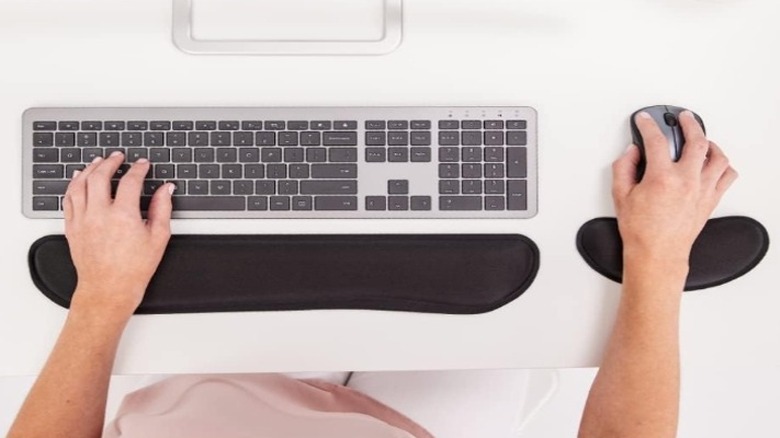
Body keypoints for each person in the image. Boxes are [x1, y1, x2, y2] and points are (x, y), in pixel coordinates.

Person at [8, 111, 737, 438]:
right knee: (519, 294)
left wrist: (102, 296)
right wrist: (660, 253)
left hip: (201, 406)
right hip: (414, 426)